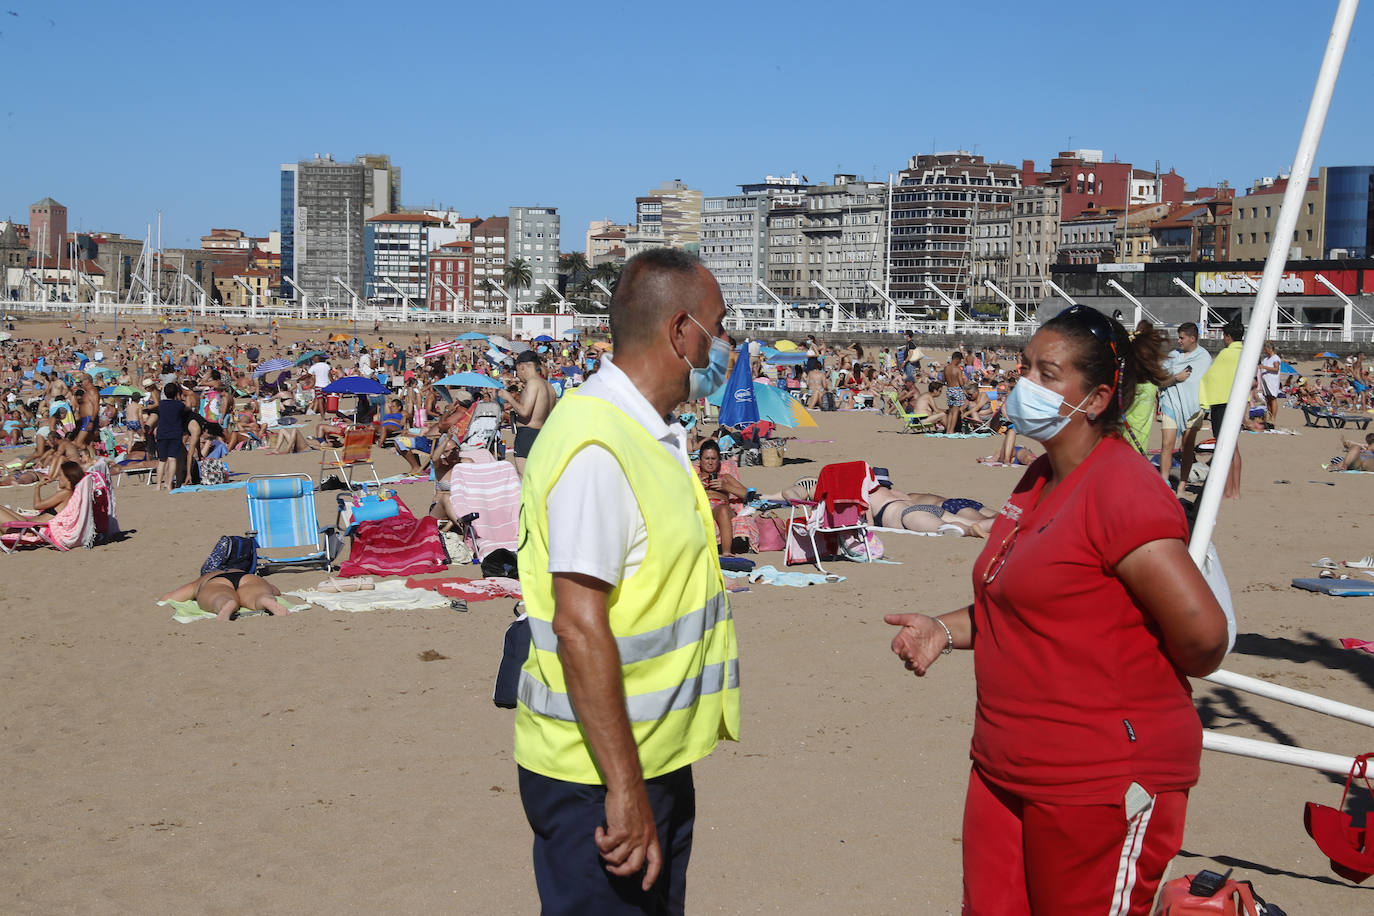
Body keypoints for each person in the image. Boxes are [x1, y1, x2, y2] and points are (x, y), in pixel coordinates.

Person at [884, 304, 1228, 914]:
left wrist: (1116, 672)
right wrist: (943, 627)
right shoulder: (1040, 477)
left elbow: (1203, 637)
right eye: (1024, 368)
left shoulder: (1121, 489)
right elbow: (1026, 603)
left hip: (1098, 774)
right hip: (1005, 761)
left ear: (1095, 399)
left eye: (1047, 374)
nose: (1025, 386)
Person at [514, 248, 740, 914]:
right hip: (597, 774)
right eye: (719, 326)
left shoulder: (648, 434)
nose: (725, 345)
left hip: (648, 757)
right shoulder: (598, 446)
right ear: (680, 332)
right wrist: (624, 787)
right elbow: (579, 625)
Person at [1158, 322, 1212, 493]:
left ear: (1192, 338)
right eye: (1178, 337)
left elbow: (1210, 383)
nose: (1178, 341)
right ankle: (1163, 482)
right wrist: (1176, 378)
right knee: (1167, 444)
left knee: (1187, 447)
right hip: (1171, 403)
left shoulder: (1204, 358)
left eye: (1182, 338)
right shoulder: (1173, 356)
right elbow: (1160, 380)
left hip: (1194, 409)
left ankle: (1182, 484)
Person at [1198, 320, 1246, 499]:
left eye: (1224, 336)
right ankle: (1235, 490)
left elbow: (1210, 378)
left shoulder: (1227, 354)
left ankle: (1228, 489)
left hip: (1222, 404)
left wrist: (1203, 399)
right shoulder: (1245, 353)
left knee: (1225, 448)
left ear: (1228, 336)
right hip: (1238, 404)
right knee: (1233, 447)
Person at [498, 349, 556, 476]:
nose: (517, 374)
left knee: (525, 479)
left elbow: (525, 412)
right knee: (541, 478)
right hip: (543, 434)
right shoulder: (549, 386)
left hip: (527, 435)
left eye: (517, 370)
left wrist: (509, 398)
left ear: (522, 366)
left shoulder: (533, 383)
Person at [160, 570, 291, 621]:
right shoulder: (241, 570)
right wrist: (268, 591)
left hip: (217, 580)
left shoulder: (203, 579)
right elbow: (276, 590)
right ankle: (264, 600)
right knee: (259, 594)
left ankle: (225, 603)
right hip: (246, 576)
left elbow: (170, 597)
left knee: (219, 596)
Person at [695, 439, 750, 552]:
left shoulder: (725, 477)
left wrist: (726, 487)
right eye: (707, 458)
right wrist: (696, 487)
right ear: (700, 460)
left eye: (713, 459)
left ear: (719, 460)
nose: (710, 462)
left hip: (720, 509)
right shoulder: (694, 478)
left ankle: (726, 553)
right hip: (701, 508)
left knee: (723, 510)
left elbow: (748, 495)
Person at [0, 459, 83, 522]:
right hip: (29, 524)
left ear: (68, 478)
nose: (58, 478)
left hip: (29, 530)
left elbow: (37, 506)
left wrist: (37, 487)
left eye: (60, 475)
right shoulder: (70, 493)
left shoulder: (65, 493)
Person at [1258, 341, 1282, 423]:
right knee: (1267, 399)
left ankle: (1273, 417)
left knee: (1272, 398)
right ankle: (1270, 416)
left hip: (1272, 381)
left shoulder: (1275, 358)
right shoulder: (1265, 359)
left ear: (1270, 349)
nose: (1265, 351)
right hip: (1265, 381)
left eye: (1266, 349)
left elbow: (1276, 369)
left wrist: (1264, 367)